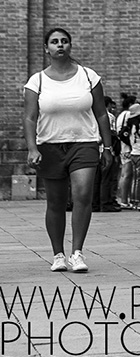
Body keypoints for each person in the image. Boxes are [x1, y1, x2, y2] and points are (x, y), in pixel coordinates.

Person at [23, 27, 113, 273]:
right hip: (49, 146)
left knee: (83, 196)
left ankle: (77, 253)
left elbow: (101, 113)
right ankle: (58, 254)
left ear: (70, 46)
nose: (60, 45)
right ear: (47, 48)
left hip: (84, 143)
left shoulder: (88, 76)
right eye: (54, 42)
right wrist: (32, 148)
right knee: (56, 202)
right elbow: (30, 118)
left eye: (64, 41)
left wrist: (107, 146)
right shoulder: (36, 81)